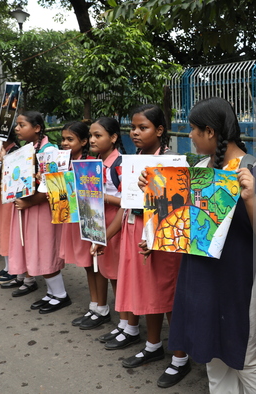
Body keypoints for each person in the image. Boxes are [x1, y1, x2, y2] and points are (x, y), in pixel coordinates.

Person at [148, 97, 256, 393]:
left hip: (242, 283)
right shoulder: (198, 170)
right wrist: (153, 198)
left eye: (194, 130)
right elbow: (182, 223)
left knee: (248, 357)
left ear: (210, 132)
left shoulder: (255, 172)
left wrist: (250, 196)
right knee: (212, 354)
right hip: (203, 279)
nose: (191, 136)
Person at [92, 105, 190, 388]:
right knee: (148, 294)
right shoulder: (133, 160)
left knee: (168, 296)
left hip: (161, 242)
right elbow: (126, 207)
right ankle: (153, 345)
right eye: (132, 128)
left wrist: (156, 238)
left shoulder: (171, 163)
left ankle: (180, 358)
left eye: (143, 127)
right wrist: (105, 237)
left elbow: (175, 212)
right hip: (135, 235)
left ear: (159, 131)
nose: (135, 132)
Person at [7, 111, 71, 313]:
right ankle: (52, 293)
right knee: (36, 249)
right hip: (31, 208)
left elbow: (53, 186)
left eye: (21, 125)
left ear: (36, 128)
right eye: (16, 125)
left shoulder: (49, 150)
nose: (17, 129)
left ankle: (60, 295)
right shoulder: (27, 149)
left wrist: (29, 203)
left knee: (45, 248)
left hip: (42, 209)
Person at [54, 120, 111, 328]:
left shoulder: (89, 162)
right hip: (73, 219)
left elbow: (93, 193)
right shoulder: (63, 161)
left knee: (94, 264)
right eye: (63, 139)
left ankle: (102, 308)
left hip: (90, 219)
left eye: (70, 139)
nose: (65, 143)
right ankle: (94, 305)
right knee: (88, 266)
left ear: (83, 141)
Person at [75, 117, 124, 331]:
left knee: (117, 274)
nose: (92, 140)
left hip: (115, 224)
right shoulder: (95, 162)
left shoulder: (119, 164)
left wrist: (102, 196)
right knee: (104, 268)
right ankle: (101, 309)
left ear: (113, 138)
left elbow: (128, 201)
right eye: (91, 136)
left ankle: (126, 323)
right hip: (97, 220)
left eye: (98, 135)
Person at [0, 131, 21, 285]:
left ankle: (15, 271)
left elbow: (16, 175)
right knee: (5, 232)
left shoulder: (16, 151)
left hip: (13, 198)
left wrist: (4, 159)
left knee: (11, 234)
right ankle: (9, 267)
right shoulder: (4, 150)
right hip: (4, 196)